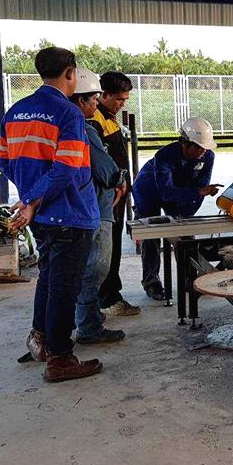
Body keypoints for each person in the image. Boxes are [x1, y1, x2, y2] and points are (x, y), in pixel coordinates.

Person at [0, 46, 103, 383]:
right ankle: (60, 358)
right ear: (70, 73)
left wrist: (30, 196)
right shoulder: (68, 114)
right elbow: (67, 167)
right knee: (64, 288)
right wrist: (33, 197)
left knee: (49, 277)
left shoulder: (15, 111)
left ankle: (40, 340)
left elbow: (2, 159)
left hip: (40, 217)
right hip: (70, 213)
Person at [70, 68, 128, 345]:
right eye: (93, 99)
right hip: (99, 204)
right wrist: (119, 179)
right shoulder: (88, 126)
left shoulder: (88, 123)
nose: (95, 104)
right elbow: (104, 168)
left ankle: (87, 316)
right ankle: (89, 325)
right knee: (95, 268)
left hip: (92, 204)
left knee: (86, 268)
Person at [132, 117, 218, 301]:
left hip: (181, 192)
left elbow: (201, 189)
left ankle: (190, 279)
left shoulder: (208, 156)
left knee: (185, 237)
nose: (203, 151)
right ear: (185, 143)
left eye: (205, 147)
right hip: (148, 192)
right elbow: (167, 192)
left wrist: (186, 217)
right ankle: (151, 282)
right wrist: (197, 192)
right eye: (199, 147)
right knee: (151, 236)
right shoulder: (164, 156)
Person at [90, 71, 140, 318]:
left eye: (125, 99)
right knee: (104, 252)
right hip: (106, 198)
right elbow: (99, 163)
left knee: (114, 247)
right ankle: (106, 299)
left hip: (116, 197)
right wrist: (115, 183)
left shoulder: (109, 118)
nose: (122, 104)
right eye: (119, 99)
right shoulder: (94, 120)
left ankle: (108, 296)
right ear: (104, 94)